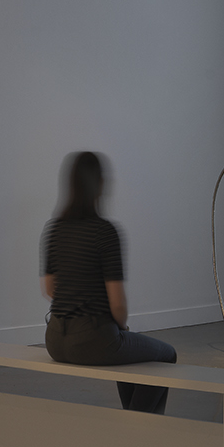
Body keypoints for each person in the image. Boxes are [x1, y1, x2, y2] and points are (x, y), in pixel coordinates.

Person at [41, 151, 176, 413]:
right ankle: (136, 425)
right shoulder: (104, 231)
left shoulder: (55, 229)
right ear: (99, 184)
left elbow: (49, 289)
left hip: (55, 340)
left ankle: (135, 423)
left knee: (127, 352)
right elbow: (117, 304)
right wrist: (121, 327)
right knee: (167, 354)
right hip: (93, 341)